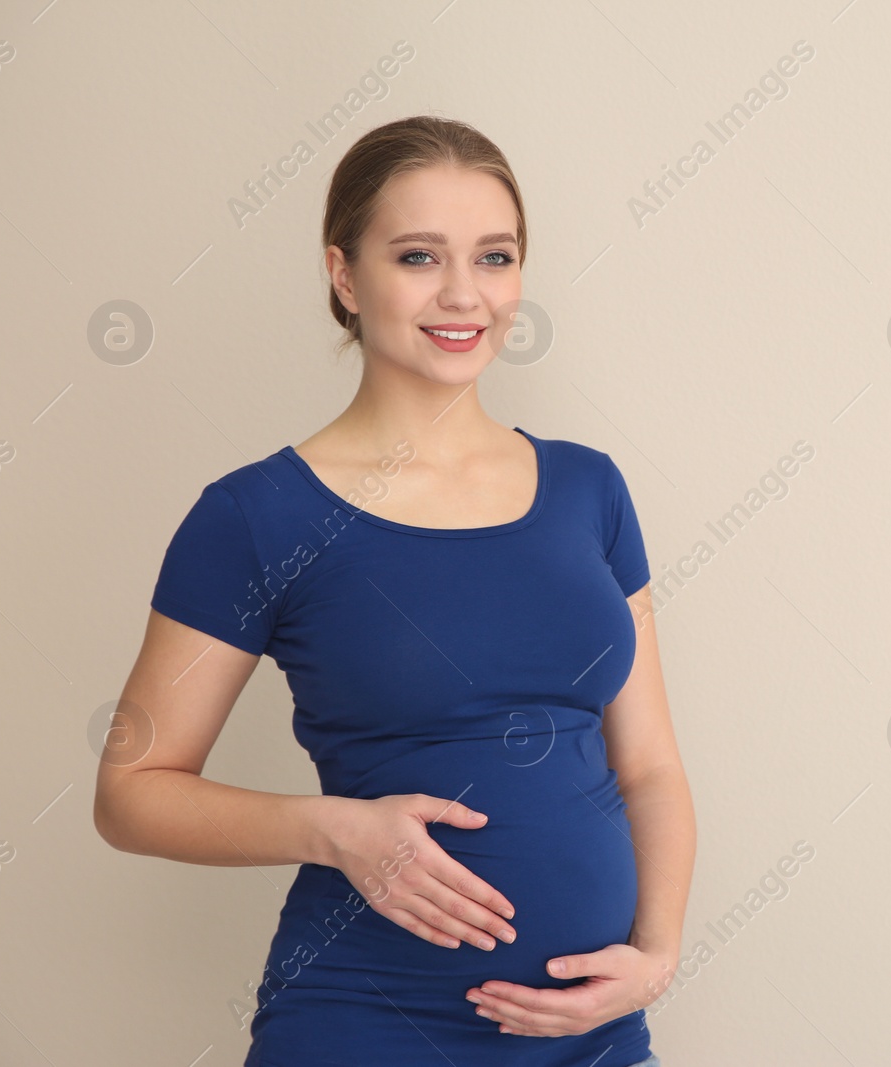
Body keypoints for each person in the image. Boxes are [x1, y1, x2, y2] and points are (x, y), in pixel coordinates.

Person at [93, 115, 694, 1067]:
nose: (465, 294)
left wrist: (656, 956)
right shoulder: (257, 514)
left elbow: (651, 765)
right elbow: (130, 793)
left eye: (495, 257)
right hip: (364, 1021)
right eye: (419, 256)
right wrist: (333, 829)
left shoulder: (591, 489)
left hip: (591, 1032)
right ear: (344, 275)